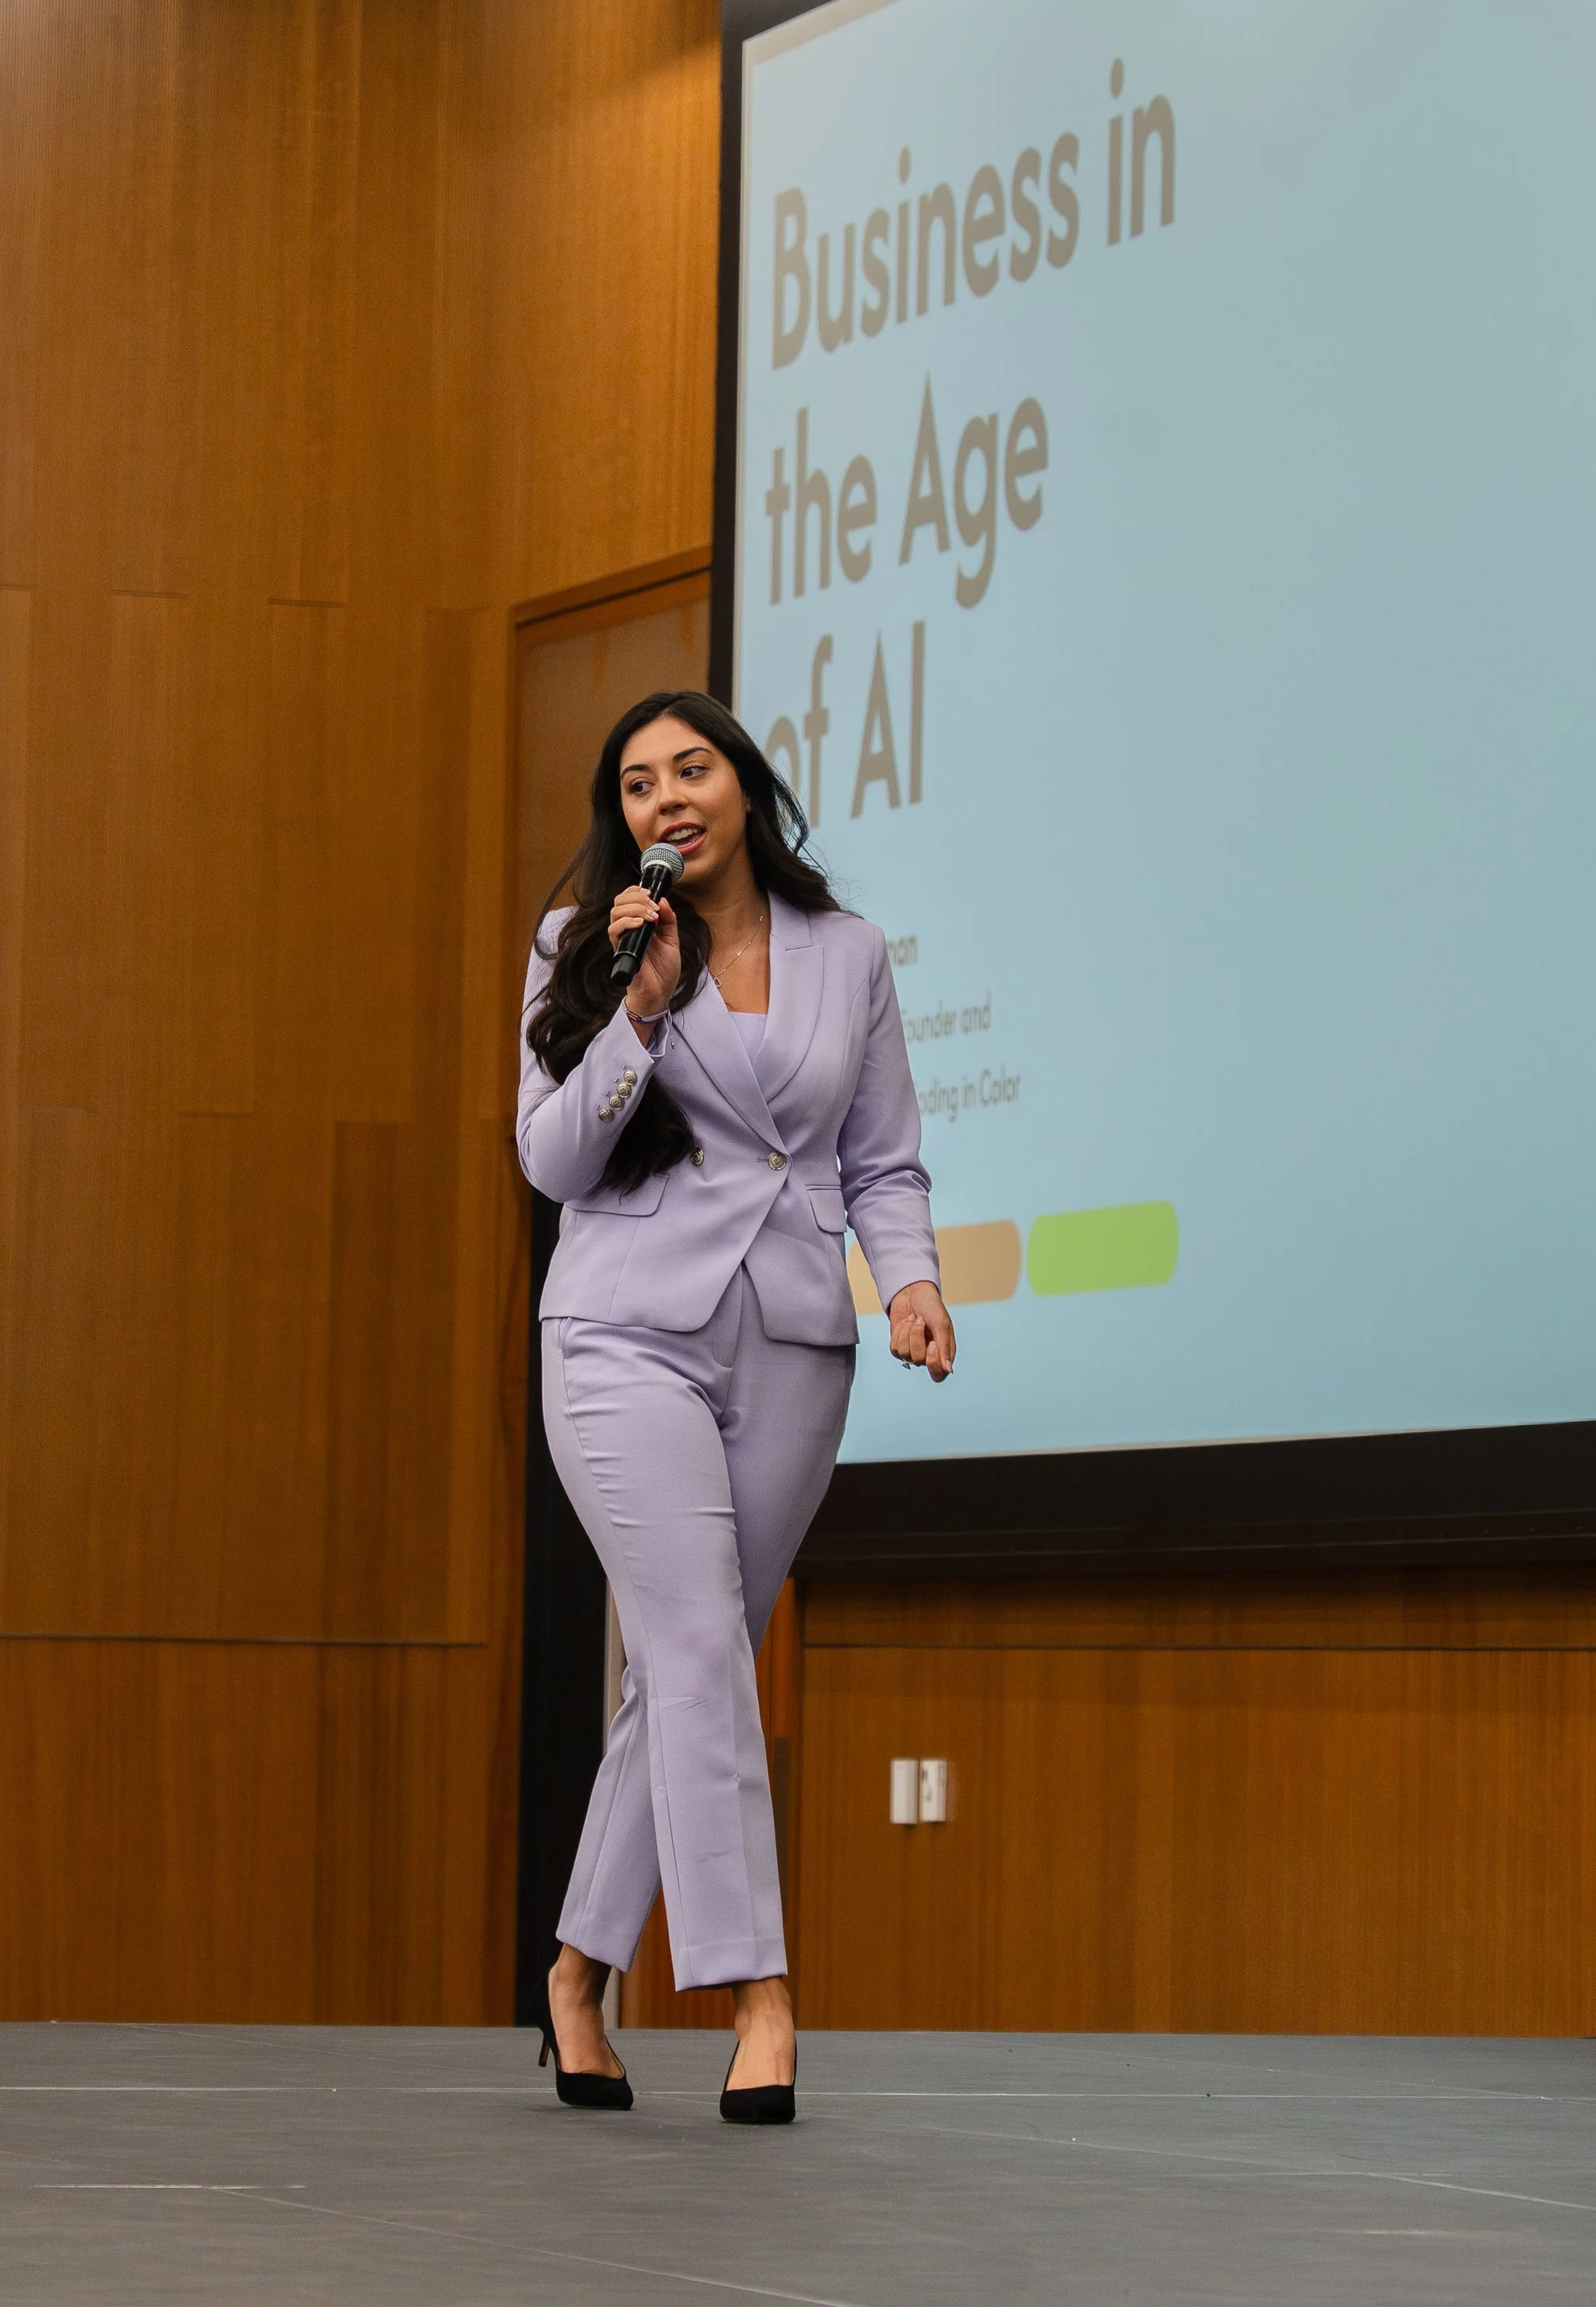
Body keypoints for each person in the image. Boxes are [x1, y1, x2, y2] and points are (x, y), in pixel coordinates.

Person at [517, 689, 954, 2125]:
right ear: (623, 819)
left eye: (691, 769)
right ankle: (757, 1992)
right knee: (703, 1647)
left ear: (746, 788)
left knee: (683, 1675)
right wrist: (634, 1016)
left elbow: (882, 1162)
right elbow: (553, 1162)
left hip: (793, 1348)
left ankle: (577, 1975)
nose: (665, 798)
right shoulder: (585, 949)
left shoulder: (850, 955)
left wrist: (910, 1285)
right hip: (623, 1335)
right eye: (636, 784)